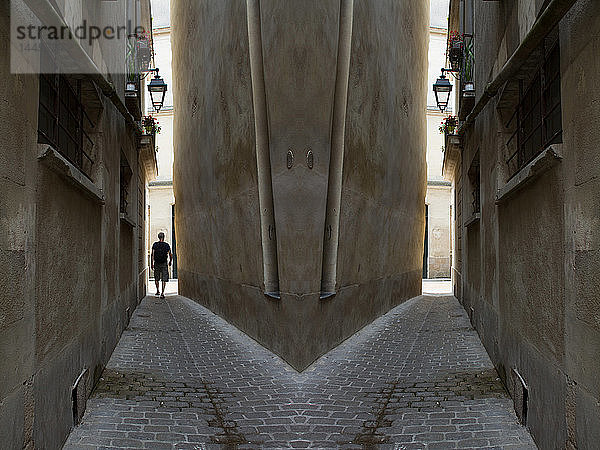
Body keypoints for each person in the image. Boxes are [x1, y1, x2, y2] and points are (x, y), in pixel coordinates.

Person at [151, 232, 172, 299]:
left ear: (158, 237)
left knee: (156, 278)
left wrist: (152, 263)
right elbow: (170, 254)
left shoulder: (155, 244)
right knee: (164, 278)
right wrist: (170, 261)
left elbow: (152, 254)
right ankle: (162, 293)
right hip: (164, 263)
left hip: (156, 263)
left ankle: (157, 291)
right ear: (164, 237)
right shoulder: (167, 245)